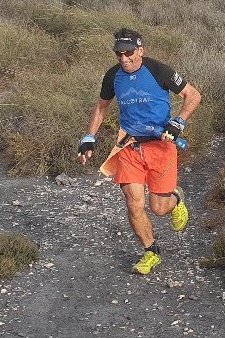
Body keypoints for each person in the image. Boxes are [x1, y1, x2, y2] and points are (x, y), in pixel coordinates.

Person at [78, 28, 202, 275]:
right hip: (129, 145)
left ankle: (175, 200)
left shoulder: (158, 70)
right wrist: (89, 136)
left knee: (158, 208)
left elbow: (193, 95)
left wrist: (179, 122)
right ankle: (151, 251)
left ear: (140, 51)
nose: (124, 58)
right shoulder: (113, 76)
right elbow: (102, 107)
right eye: (119, 54)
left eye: (129, 53)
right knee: (133, 204)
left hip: (161, 145)